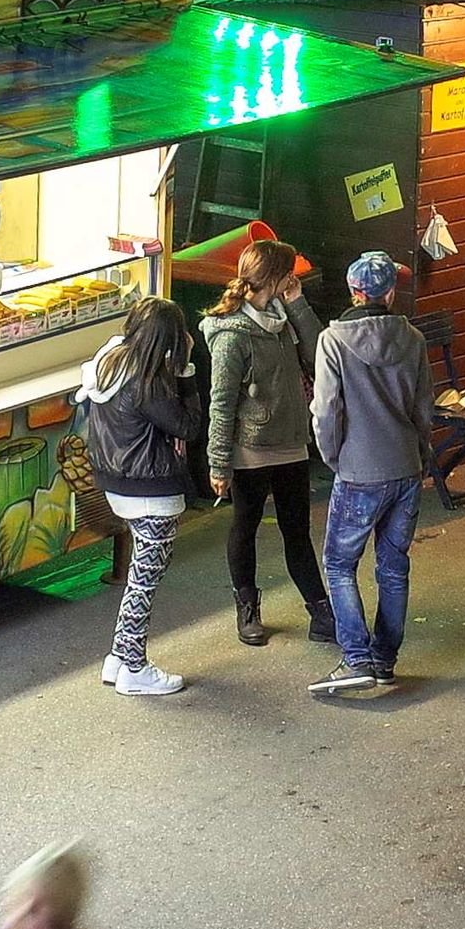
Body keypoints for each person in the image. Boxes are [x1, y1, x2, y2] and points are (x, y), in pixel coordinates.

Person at [309, 255, 435, 694]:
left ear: (353, 292)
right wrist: (420, 455)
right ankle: (384, 659)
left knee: (340, 564)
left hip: (358, 469)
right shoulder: (414, 338)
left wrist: (333, 457)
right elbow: (424, 409)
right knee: (394, 567)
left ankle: (356, 658)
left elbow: (326, 410)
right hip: (405, 466)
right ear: (389, 293)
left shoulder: (333, 342)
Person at [204, 242, 334, 647]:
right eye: (290, 274)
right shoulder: (232, 334)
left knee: (298, 530)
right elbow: (221, 403)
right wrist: (218, 464)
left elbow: (319, 355)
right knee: (245, 526)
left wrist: (298, 303)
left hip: (292, 442)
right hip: (251, 450)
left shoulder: (283, 316)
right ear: (275, 278)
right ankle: (247, 608)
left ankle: (320, 611)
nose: (295, 279)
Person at [82, 299, 201, 698]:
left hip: (116, 483)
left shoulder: (109, 361)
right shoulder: (147, 381)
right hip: (151, 490)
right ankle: (134, 667)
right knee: (143, 581)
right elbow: (187, 426)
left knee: (139, 575)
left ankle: (117, 657)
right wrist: (186, 370)